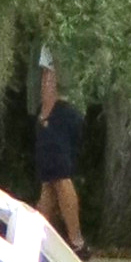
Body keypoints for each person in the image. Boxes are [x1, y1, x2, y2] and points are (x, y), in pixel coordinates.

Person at [35, 53, 84, 250]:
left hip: (57, 112)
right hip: (73, 110)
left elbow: (50, 75)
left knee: (60, 177)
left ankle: (76, 240)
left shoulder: (54, 40)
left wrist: (45, 115)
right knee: (49, 181)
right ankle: (37, 240)